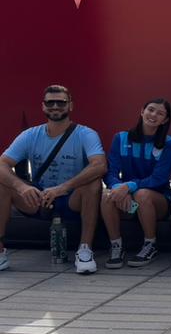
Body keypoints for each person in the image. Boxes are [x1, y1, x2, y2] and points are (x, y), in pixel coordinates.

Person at [0, 85, 105, 274]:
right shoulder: (30, 135)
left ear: (70, 105)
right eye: (50, 102)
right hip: (39, 197)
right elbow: (2, 164)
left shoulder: (86, 134)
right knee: (3, 183)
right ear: (43, 106)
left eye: (61, 102)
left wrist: (63, 187)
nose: (55, 106)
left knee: (94, 183)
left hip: (72, 197)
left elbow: (99, 165)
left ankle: (85, 250)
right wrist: (22, 187)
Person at [100, 98, 171, 269]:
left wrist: (130, 186)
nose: (154, 115)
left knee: (142, 195)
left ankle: (150, 244)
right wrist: (119, 188)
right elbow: (110, 172)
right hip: (129, 205)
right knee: (106, 195)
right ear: (142, 111)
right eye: (151, 110)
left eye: (160, 113)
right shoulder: (121, 138)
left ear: (165, 120)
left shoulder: (168, 143)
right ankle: (116, 246)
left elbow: (159, 179)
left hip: (157, 202)